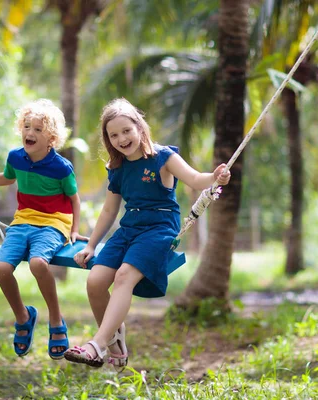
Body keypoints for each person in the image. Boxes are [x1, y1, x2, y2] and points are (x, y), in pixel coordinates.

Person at [63, 98, 231, 370]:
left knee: (123, 276)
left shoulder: (164, 157)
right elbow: (108, 211)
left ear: (139, 127)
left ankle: (97, 344)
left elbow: (196, 180)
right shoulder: (117, 167)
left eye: (126, 130)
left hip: (159, 229)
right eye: (113, 135)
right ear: (108, 140)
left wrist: (215, 177)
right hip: (129, 228)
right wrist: (91, 245)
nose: (121, 138)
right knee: (95, 282)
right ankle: (116, 342)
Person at [0, 99, 88, 359]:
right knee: (1, 268)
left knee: (39, 264)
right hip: (23, 220)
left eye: (38, 130)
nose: (30, 133)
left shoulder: (61, 167)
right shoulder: (16, 157)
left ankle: (56, 320)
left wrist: (74, 229)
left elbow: (74, 199)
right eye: (27, 127)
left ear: (51, 138)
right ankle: (23, 317)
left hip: (53, 222)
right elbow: (7, 177)